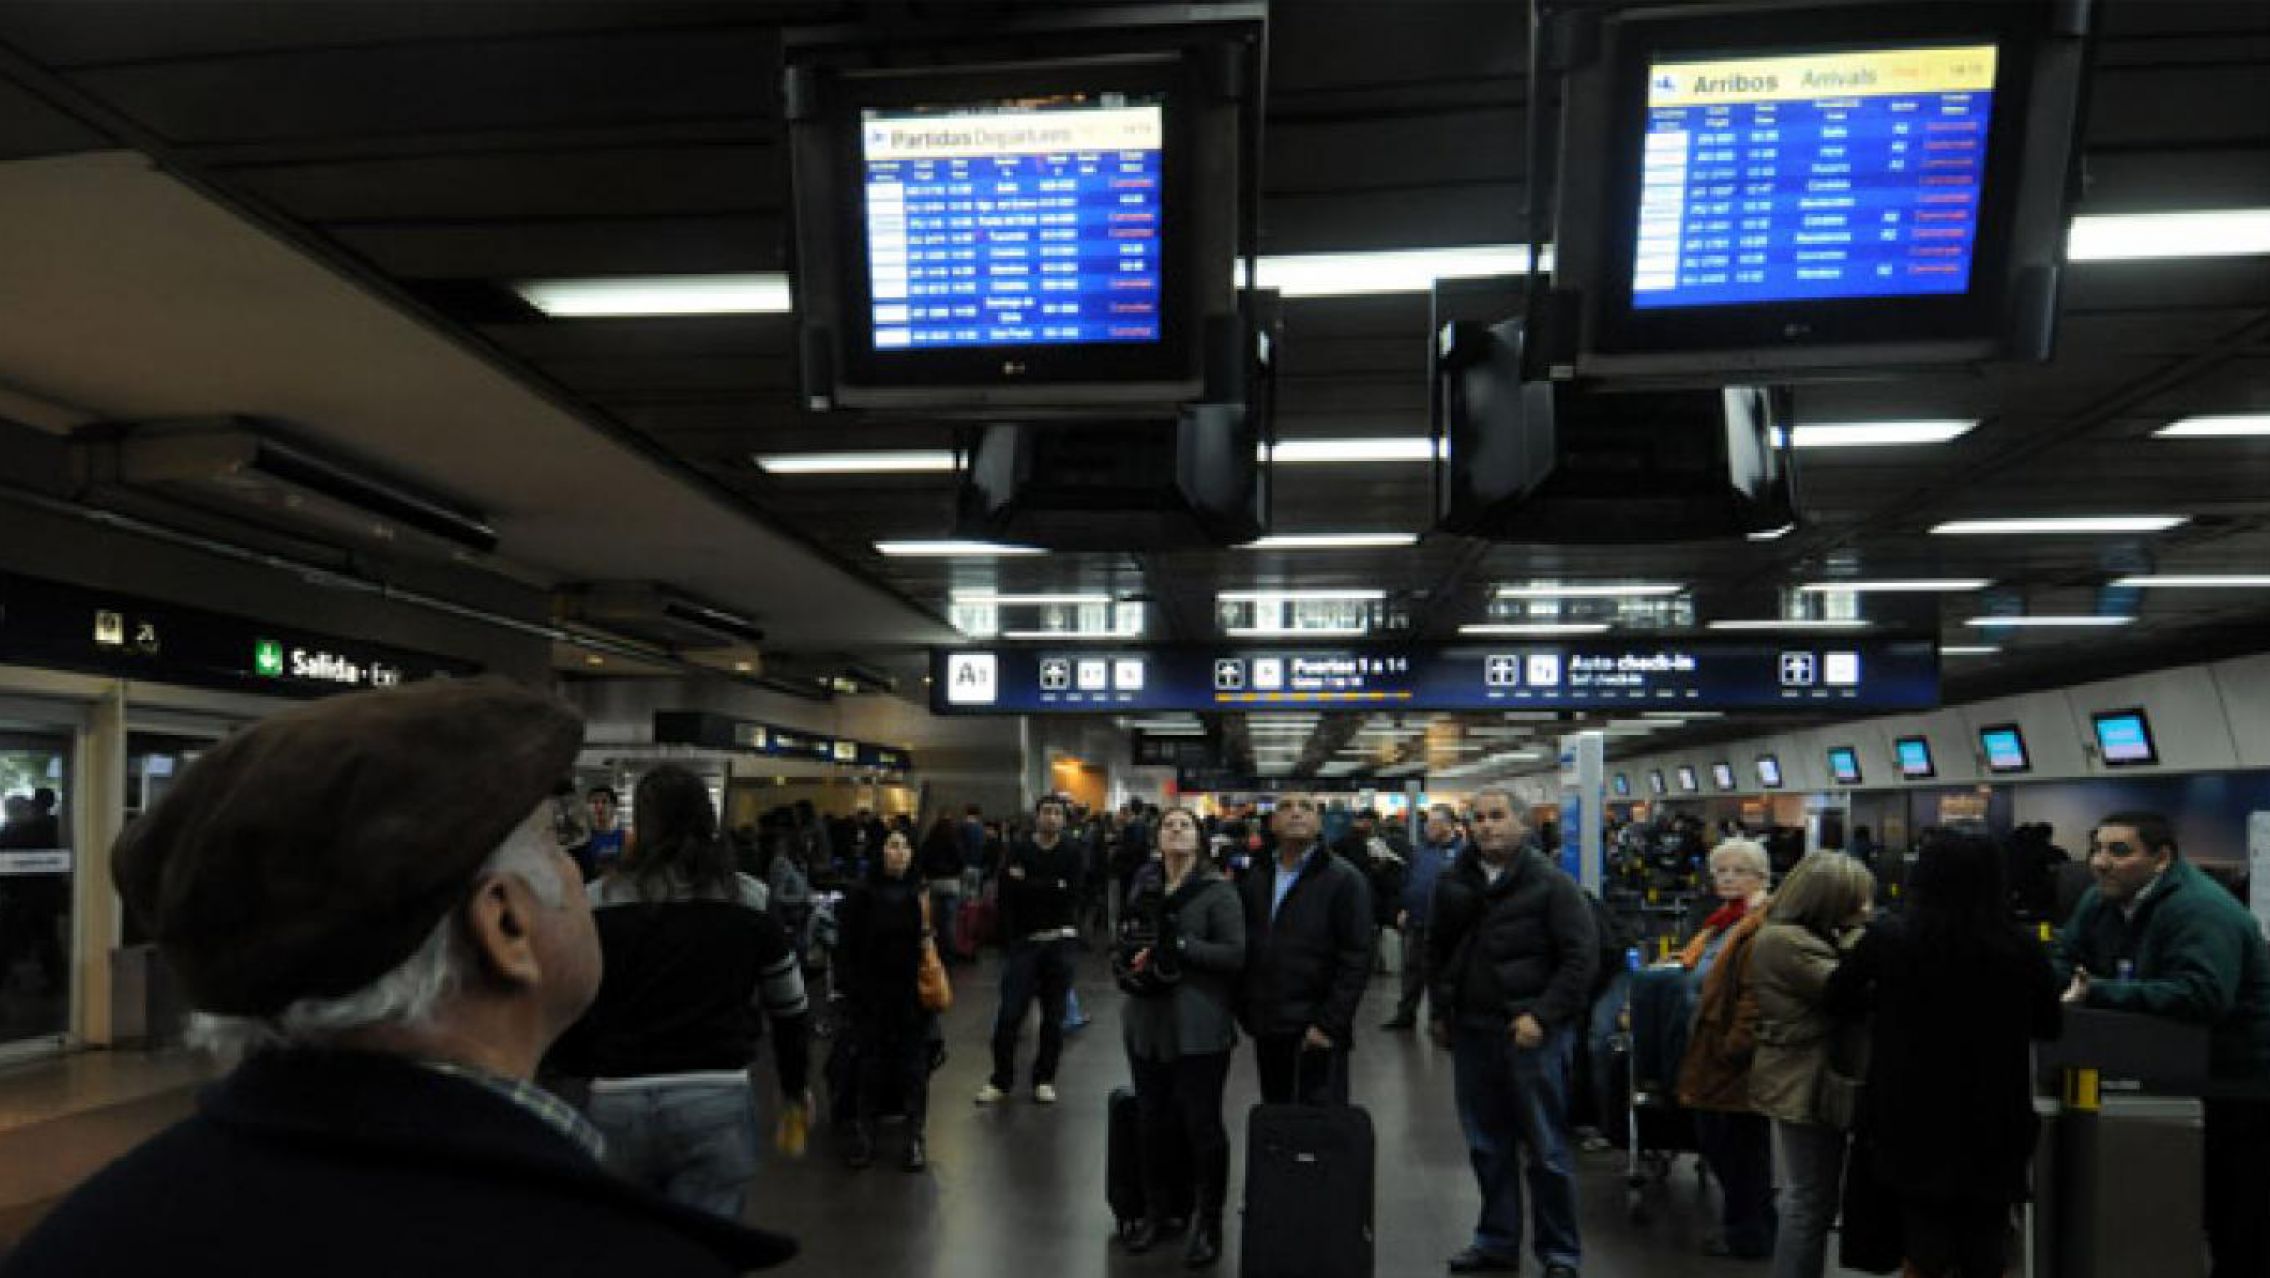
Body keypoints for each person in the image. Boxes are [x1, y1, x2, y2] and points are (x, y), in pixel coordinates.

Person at [4, 678, 795, 1276]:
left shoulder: (89, 1237)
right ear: (505, 926)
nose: (579, 864)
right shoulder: (616, 1254)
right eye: (552, 844)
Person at [547, 764, 810, 1221]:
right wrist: (794, 1086)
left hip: (616, 1098)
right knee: (705, 1250)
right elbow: (790, 1007)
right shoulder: (749, 899)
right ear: (709, 822)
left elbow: (567, 1004)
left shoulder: (596, 903)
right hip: (718, 1095)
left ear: (642, 827)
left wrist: (580, 1075)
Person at [1827, 829, 2060, 1278]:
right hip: (1995, 1112)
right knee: (1986, 1240)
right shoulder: (2022, 947)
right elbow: (2049, 1024)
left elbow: (1837, 998)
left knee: (1922, 1237)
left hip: (1907, 1109)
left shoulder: (1891, 938)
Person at [2052, 812, 2270, 1278]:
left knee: (2235, 1222)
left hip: (2238, 1085)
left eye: (2119, 851)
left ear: (2162, 858)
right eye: (2097, 849)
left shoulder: (2200, 911)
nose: (2101, 863)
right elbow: (2064, 960)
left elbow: (2202, 995)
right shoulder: (2101, 901)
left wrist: (2098, 990)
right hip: (2167, 1070)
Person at [1426, 788, 1595, 1278]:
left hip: (1531, 1035)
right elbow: (1435, 951)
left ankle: (1560, 1252)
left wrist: (1541, 1016)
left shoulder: (1551, 884)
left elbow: (1580, 959)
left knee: (1545, 1148)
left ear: (1522, 824)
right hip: (1473, 1031)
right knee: (1486, 1144)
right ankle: (1495, 1240)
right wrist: (1440, 1010)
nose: (1486, 826)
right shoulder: (1453, 883)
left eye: (1497, 817)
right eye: (1477, 818)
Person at [1116, 807, 1247, 1268]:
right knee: (1151, 1122)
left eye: (1184, 825)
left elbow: (1235, 954)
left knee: (1202, 1125)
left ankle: (1208, 1219)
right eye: (1168, 825)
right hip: (1145, 1022)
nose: (1175, 829)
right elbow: (1128, 940)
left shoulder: (1218, 893)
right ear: (1157, 839)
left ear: (1200, 839)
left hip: (1198, 1027)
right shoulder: (1144, 886)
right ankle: (1158, 1211)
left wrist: (1183, 947)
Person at [1744, 852, 1874, 1278]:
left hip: (1805, 1076)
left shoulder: (1792, 936)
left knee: (1811, 1197)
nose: (1866, 910)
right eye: (1858, 901)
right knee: (1808, 1198)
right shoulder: (1787, 943)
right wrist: (1864, 936)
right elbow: (1846, 989)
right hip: (1802, 1079)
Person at [1676, 837, 1778, 1260]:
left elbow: (1755, 994)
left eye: (1739, 871)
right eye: (1721, 871)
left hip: (1734, 1058)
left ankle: (1748, 1236)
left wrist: (1735, 1048)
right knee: (1723, 1145)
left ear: (1761, 877)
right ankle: (1748, 1228)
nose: (1728, 878)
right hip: (1711, 1052)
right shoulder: (1720, 922)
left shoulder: (1758, 925)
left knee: (1740, 1153)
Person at [1239, 793, 1373, 1106]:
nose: (1296, 813)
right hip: (1269, 1024)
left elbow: (1356, 957)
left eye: (1306, 808)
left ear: (1319, 822)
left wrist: (1330, 1024)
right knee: (1276, 1116)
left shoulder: (1344, 879)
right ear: (1272, 824)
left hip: (1317, 1029)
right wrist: (1246, 1009)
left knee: (1318, 1129)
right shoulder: (1257, 878)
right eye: (1285, 808)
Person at [832, 828, 938, 1171]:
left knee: (914, 1069)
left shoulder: (919, 894)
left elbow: (931, 945)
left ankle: (914, 1138)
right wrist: (851, 992)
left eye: (906, 846)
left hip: (911, 997)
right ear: (881, 851)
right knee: (870, 1066)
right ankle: (865, 1136)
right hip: (871, 996)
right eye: (893, 846)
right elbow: (845, 948)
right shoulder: (861, 894)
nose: (900, 853)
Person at [977, 795, 1085, 1105]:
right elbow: (1008, 895)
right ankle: (1000, 1080)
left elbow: (1072, 893)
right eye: (1046, 812)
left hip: (1060, 942)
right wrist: (1052, 886)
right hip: (1024, 943)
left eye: (1057, 813)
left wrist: (1031, 885)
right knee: (1009, 1014)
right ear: (1036, 817)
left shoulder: (1072, 851)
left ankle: (1044, 1079)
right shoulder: (1019, 849)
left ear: (1064, 820)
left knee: (1054, 1017)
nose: (1051, 818)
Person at [1384, 804, 1462, 1030]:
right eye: (1427, 822)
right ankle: (1405, 1015)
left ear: (1448, 825)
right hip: (1416, 919)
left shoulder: (1463, 852)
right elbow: (1409, 880)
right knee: (1411, 970)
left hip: (1445, 925)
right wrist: (1403, 908)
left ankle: (1439, 1019)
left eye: (1433, 823)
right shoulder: (1421, 851)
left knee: (1439, 973)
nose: (1427, 827)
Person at [917, 815, 969, 962]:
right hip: (951, 883)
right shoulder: (955, 841)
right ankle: (949, 952)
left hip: (933, 883)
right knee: (950, 921)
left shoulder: (930, 842)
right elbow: (961, 861)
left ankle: (933, 950)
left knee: (932, 920)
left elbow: (922, 860)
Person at [585, 785, 627, 878]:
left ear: (614, 807)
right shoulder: (584, 840)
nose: (599, 806)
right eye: (595, 802)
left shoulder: (626, 837)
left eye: (604, 802)